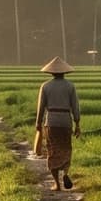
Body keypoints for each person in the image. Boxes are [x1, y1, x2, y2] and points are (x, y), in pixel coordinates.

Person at [31, 58, 81, 191]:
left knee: (52, 150)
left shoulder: (45, 86)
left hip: (51, 121)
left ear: (51, 73)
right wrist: (77, 124)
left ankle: (57, 184)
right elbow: (75, 107)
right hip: (65, 121)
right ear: (64, 72)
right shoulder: (70, 86)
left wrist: (38, 124)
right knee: (66, 148)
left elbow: (41, 107)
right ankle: (65, 173)